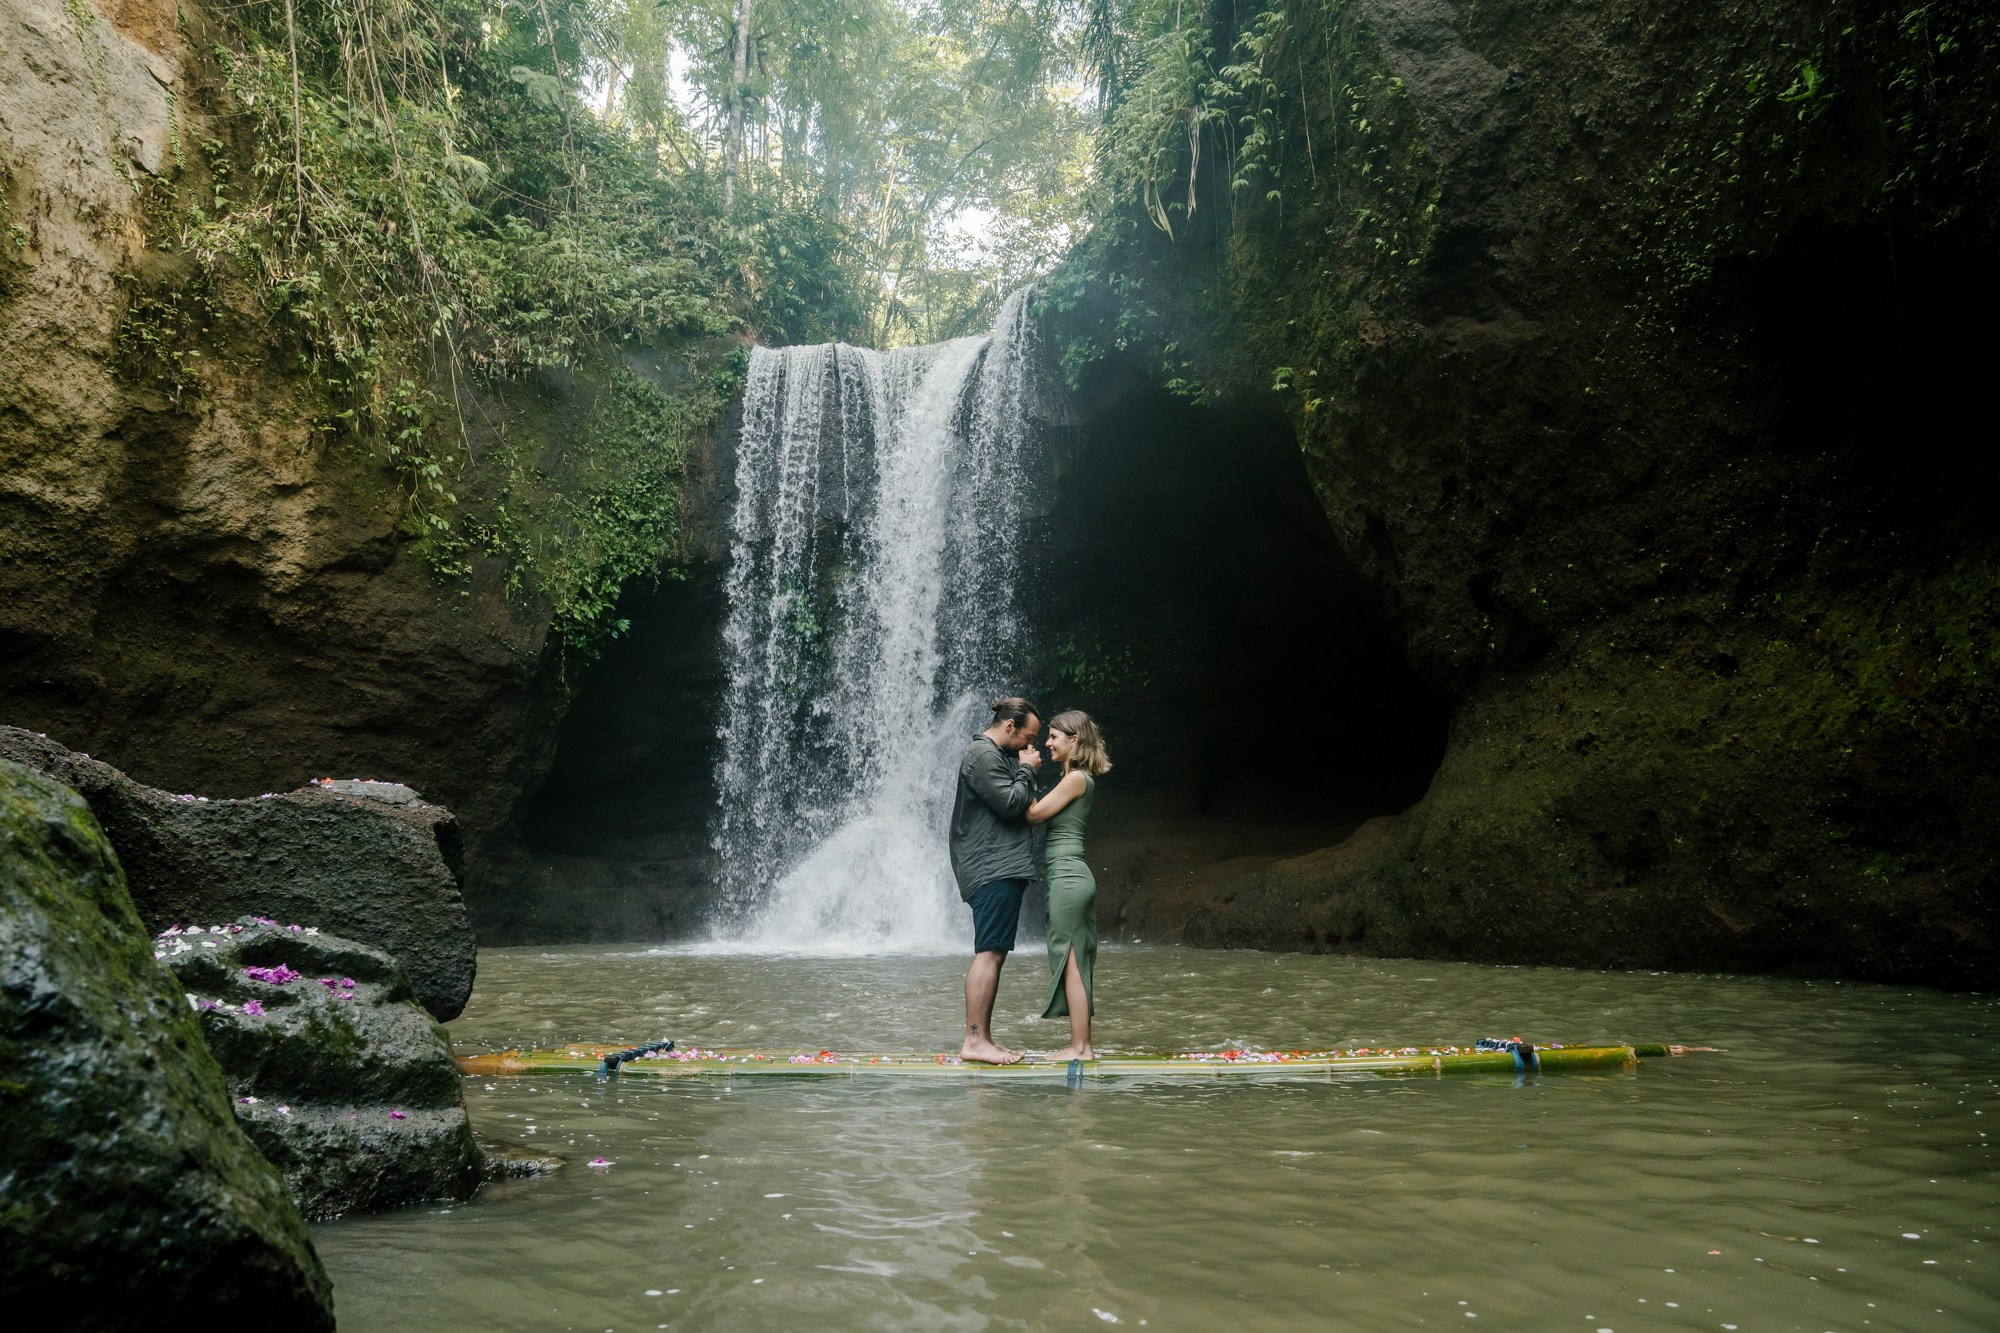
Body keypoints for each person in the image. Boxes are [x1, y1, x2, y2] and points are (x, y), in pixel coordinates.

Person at [947, 697, 1043, 1065]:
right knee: (988, 952)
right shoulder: (984, 756)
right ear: (1009, 727)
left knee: (994, 952)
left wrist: (1022, 769)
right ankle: (973, 1041)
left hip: (996, 865)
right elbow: (1009, 804)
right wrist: (1028, 770)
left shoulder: (992, 756)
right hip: (992, 867)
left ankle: (982, 1039)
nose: (1031, 746)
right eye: (1028, 737)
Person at [1025, 710, 1111, 1061]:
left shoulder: (1076, 779)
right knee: (1076, 960)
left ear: (1074, 740)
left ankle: (1079, 1048)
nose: (1047, 743)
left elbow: (1033, 815)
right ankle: (1082, 1045)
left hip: (1069, 879)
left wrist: (1025, 771)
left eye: (1054, 737)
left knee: (1072, 961)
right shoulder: (1076, 779)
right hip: (1069, 877)